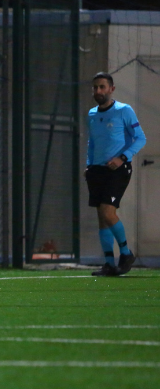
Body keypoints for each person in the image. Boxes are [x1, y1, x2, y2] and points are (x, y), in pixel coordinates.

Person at [86, 72, 146, 276]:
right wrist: (89, 165)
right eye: (95, 87)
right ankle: (109, 263)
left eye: (102, 87)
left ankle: (126, 253)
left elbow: (140, 138)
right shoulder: (92, 114)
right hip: (96, 170)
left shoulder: (124, 111)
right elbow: (92, 142)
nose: (98, 91)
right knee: (101, 217)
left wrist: (123, 157)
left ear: (111, 89)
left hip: (118, 169)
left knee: (107, 212)